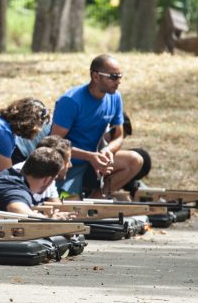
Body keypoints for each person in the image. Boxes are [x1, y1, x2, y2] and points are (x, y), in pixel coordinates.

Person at [51, 54, 144, 197]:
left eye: (120, 76)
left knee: (135, 160)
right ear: (95, 76)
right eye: (113, 77)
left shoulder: (115, 97)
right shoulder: (70, 101)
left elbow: (119, 135)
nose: (118, 81)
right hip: (68, 164)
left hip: (95, 161)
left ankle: (95, 202)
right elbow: (53, 144)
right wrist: (89, 157)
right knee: (68, 204)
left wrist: (107, 150)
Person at [0, 147, 65, 217]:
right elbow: (17, 210)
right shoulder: (19, 190)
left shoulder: (8, 176)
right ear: (47, 180)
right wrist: (51, 221)